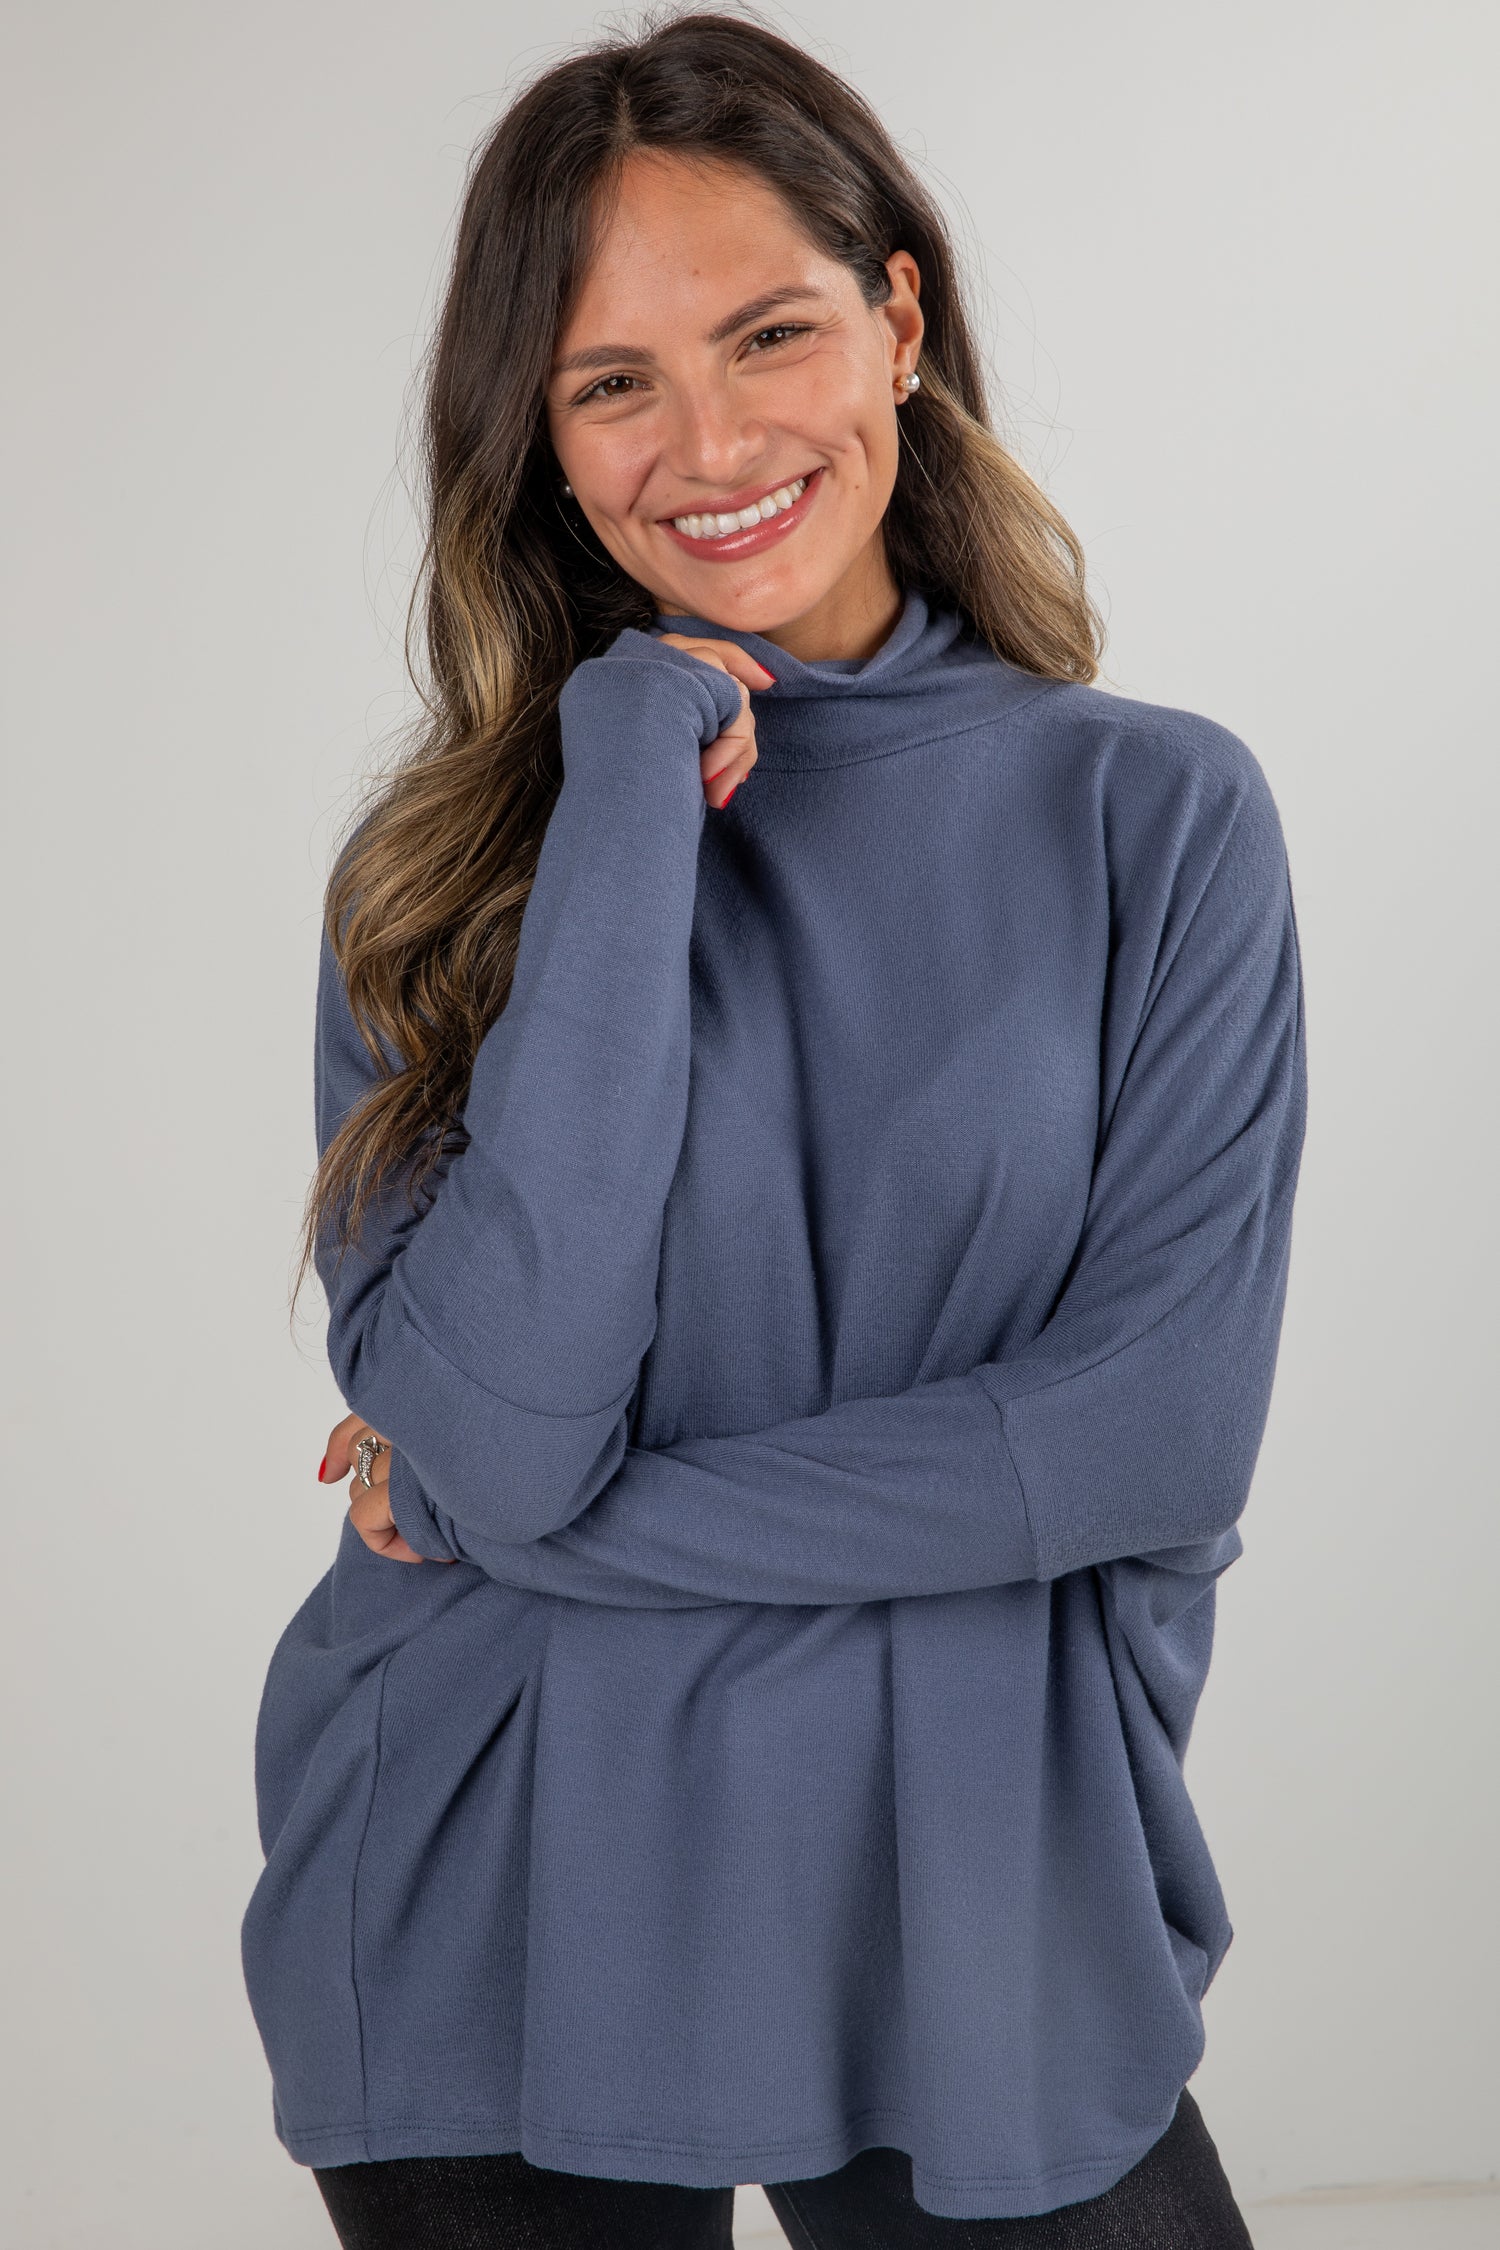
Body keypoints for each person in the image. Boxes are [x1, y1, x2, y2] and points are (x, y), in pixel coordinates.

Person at [240, 11, 1308, 2246]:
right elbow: (519, 1423)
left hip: (974, 1878)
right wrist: (623, 803)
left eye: (767, 333)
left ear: (897, 322)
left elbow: (1144, 1444)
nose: (704, 439)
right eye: (610, 379)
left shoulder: (1152, 817)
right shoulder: (438, 887)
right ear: (532, 433)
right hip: (495, 1863)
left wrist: (517, 1511)